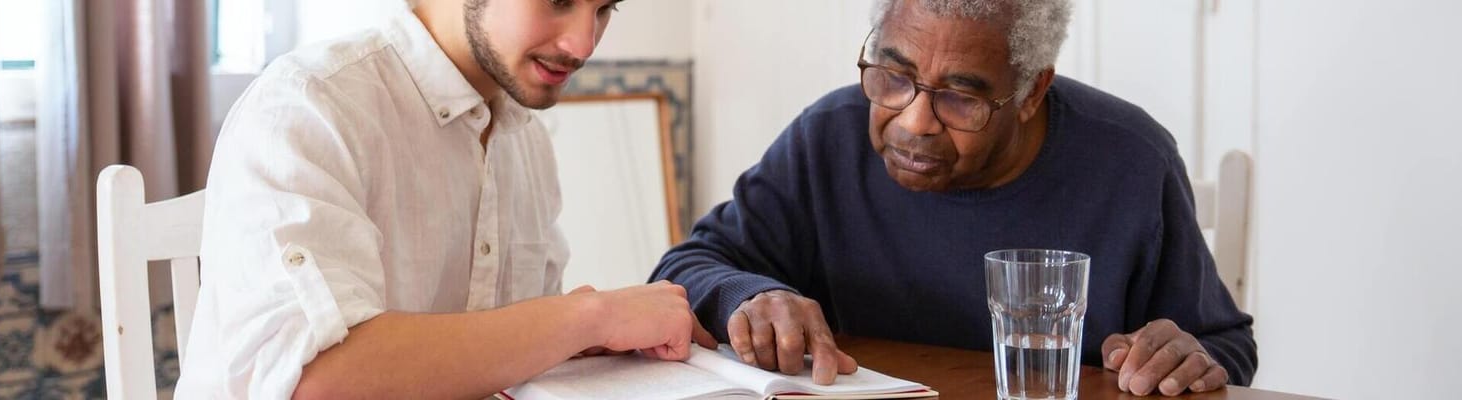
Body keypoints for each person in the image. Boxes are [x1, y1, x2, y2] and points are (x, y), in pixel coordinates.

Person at [651, 0, 1256, 396]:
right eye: (892, 77)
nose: (913, 122)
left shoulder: (1131, 162)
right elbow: (681, 269)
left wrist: (1187, 358)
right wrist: (754, 293)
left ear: (1030, 91)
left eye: (960, 97)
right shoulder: (827, 138)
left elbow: (1225, 346)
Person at [176, 0, 714, 398]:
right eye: (558, 2)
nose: (584, 44)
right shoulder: (309, 105)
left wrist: (578, 341)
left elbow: (491, 346)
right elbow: (316, 380)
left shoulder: (525, 140)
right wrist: (587, 316)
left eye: (604, 9)